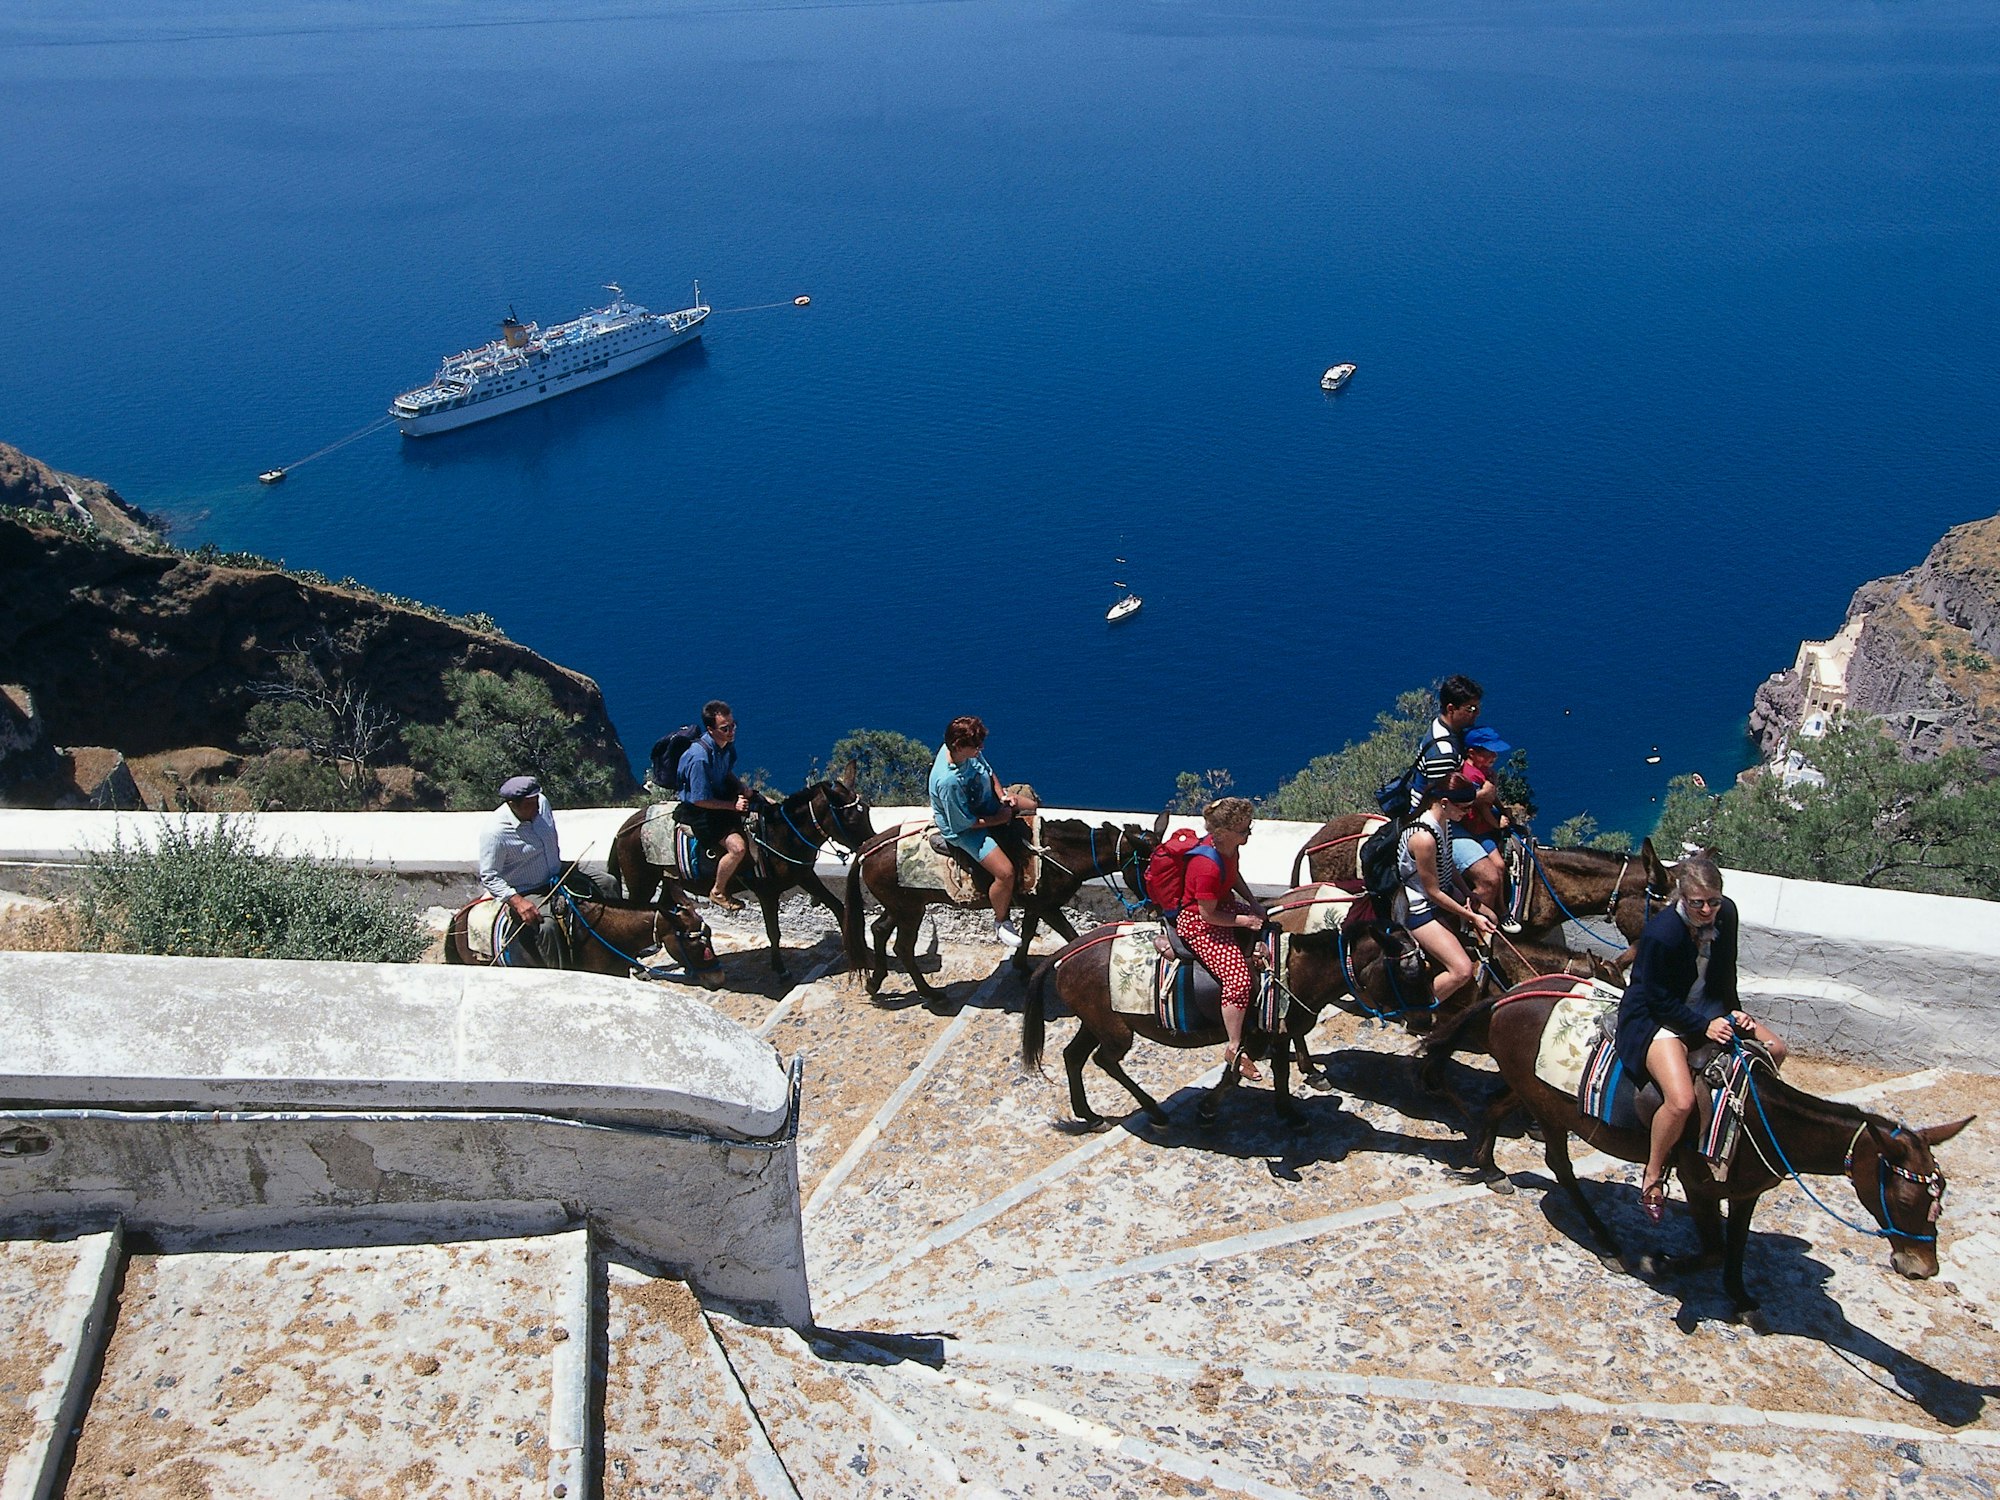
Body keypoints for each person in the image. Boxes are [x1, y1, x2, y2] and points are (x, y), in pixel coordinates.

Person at [1613, 856, 1788, 1223]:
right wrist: (1701, 1027)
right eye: (1698, 903)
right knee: (1680, 1100)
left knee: (1775, 1049)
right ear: (1683, 896)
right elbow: (1656, 997)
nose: (1707, 910)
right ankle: (1654, 1172)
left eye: (1714, 901)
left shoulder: (1727, 915)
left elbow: (1727, 969)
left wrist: (1733, 1010)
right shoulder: (1662, 933)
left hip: (1706, 1007)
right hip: (1656, 1016)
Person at [1175, 798, 1269, 1080]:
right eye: (1243, 831)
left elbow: (1233, 874)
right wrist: (1244, 920)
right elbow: (1207, 915)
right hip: (1200, 923)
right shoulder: (1205, 867)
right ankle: (1234, 1047)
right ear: (1225, 832)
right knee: (1238, 979)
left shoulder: (1229, 849)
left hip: (1223, 907)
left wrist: (1252, 902)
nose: (1247, 834)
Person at [929, 715, 1033, 950]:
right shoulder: (948, 781)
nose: (980, 749)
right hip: (965, 829)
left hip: (986, 804)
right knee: (1005, 873)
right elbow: (962, 824)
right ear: (958, 746)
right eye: (976, 746)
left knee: (1032, 807)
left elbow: (988, 771)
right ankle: (1001, 920)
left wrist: (1001, 795)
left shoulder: (968, 751)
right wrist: (999, 819)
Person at [1394, 780, 1497, 1007]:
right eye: (1464, 808)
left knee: (1492, 918)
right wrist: (1471, 916)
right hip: (1418, 906)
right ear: (1444, 803)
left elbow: (1447, 864)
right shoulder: (1424, 838)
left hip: (1442, 892)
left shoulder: (1444, 824)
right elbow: (1432, 892)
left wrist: (1468, 893)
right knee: (1462, 970)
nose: (1468, 812)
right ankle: (1418, 1009)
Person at [477, 774, 598, 965]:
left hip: (557, 872)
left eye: (536, 800)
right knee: (546, 926)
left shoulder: (541, 804)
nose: (536, 807)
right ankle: (560, 973)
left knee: (607, 882)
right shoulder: (495, 833)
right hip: (527, 888)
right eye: (529, 804)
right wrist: (517, 902)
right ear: (512, 804)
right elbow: (489, 876)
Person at [675, 700, 750, 910]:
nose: (731, 731)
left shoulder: (725, 747)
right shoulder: (699, 758)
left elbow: (725, 772)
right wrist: (732, 806)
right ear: (710, 729)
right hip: (700, 812)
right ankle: (718, 891)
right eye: (725, 728)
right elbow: (699, 799)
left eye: (733, 726)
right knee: (738, 848)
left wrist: (742, 787)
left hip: (718, 796)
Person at [1456, 725, 1520, 931]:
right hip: (1477, 828)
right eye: (1488, 752)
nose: (1494, 756)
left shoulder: (1483, 771)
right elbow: (1482, 805)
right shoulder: (1471, 775)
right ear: (1472, 752)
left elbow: (1492, 797)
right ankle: (1502, 911)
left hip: (1484, 825)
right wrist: (1497, 824)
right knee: (1499, 866)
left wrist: (1503, 809)